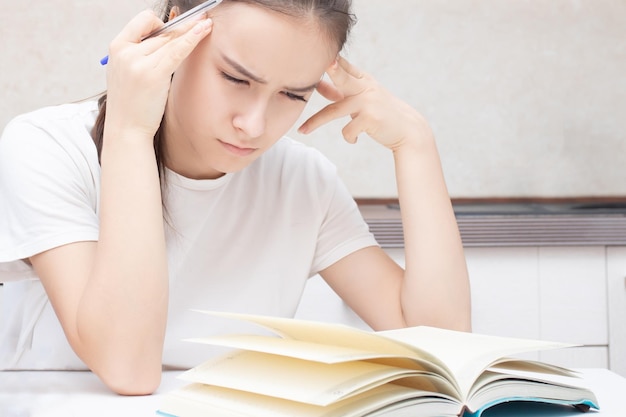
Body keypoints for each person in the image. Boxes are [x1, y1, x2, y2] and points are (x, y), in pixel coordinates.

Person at [0, 0, 471, 395]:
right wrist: (129, 129)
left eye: (292, 94)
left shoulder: (302, 181)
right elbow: (128, 369)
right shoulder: (48, 147)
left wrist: (415, 144)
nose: (255, 125)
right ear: (173, 32)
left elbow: (441, 349)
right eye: (235, 79)